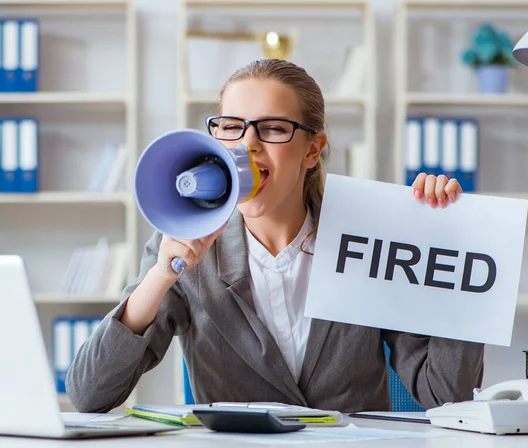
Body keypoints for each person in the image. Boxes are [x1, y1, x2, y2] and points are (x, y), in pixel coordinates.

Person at [66, 59, 483, 413]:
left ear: (312, 150)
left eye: (272, 129)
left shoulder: (367, 241)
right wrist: (159, 278)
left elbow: (448, 397)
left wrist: (448, 254)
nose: (247, 146)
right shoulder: (183, 248)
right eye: (230, 127)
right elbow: (89, 395)